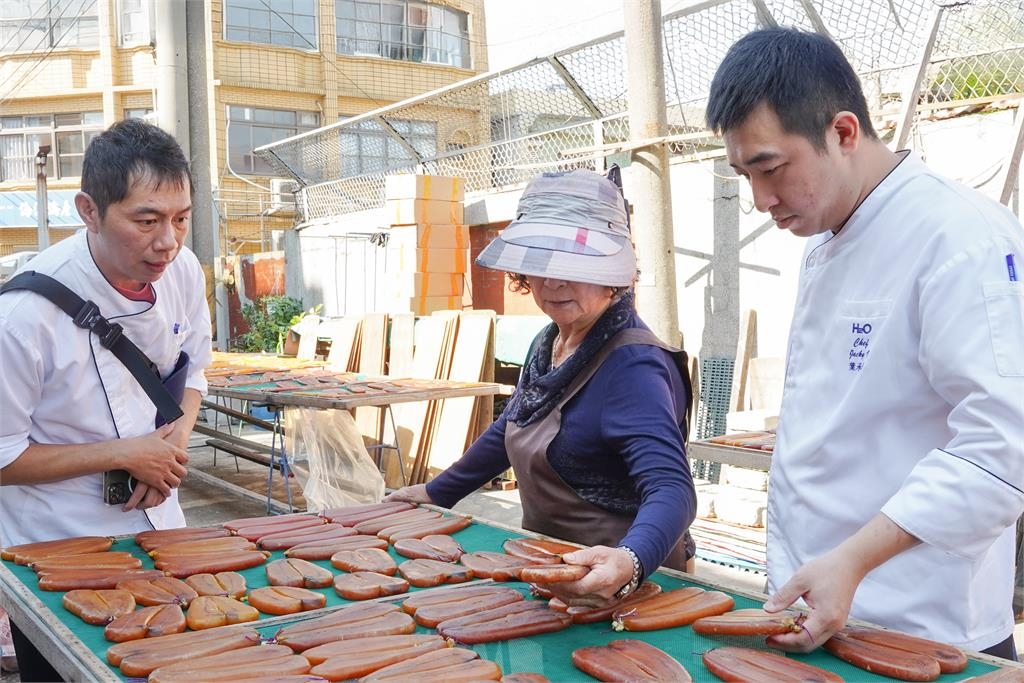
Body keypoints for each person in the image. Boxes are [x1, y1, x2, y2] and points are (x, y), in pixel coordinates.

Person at [706, 27, 1024, 658]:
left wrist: (852, 560)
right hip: (816, 609)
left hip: (918, 629)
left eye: (771, 168)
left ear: (843, 132)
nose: (762, 199)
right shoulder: (827, 230)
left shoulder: (960, 237)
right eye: (744, 174)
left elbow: (1002, 447)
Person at [386, 168, 697, 607]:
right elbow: (515, 424)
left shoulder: (633, 366)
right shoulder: (551, 340)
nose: (552, 281)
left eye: (573, 264)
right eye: (541, 262)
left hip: (622, 588)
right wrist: (437, 492)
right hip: (552, 570)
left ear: (613, 272)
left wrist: (631, 559)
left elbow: (672, 489)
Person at [0, 118, 212, 680]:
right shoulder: (21, 319)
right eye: (146, 220)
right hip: (57, 549)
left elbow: (195, 373)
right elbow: (1, 457)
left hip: (159, 531)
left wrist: (173, 444)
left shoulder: (183, 271)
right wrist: (121, 454)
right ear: (89, 211)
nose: (167, 241)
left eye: (180, 219)